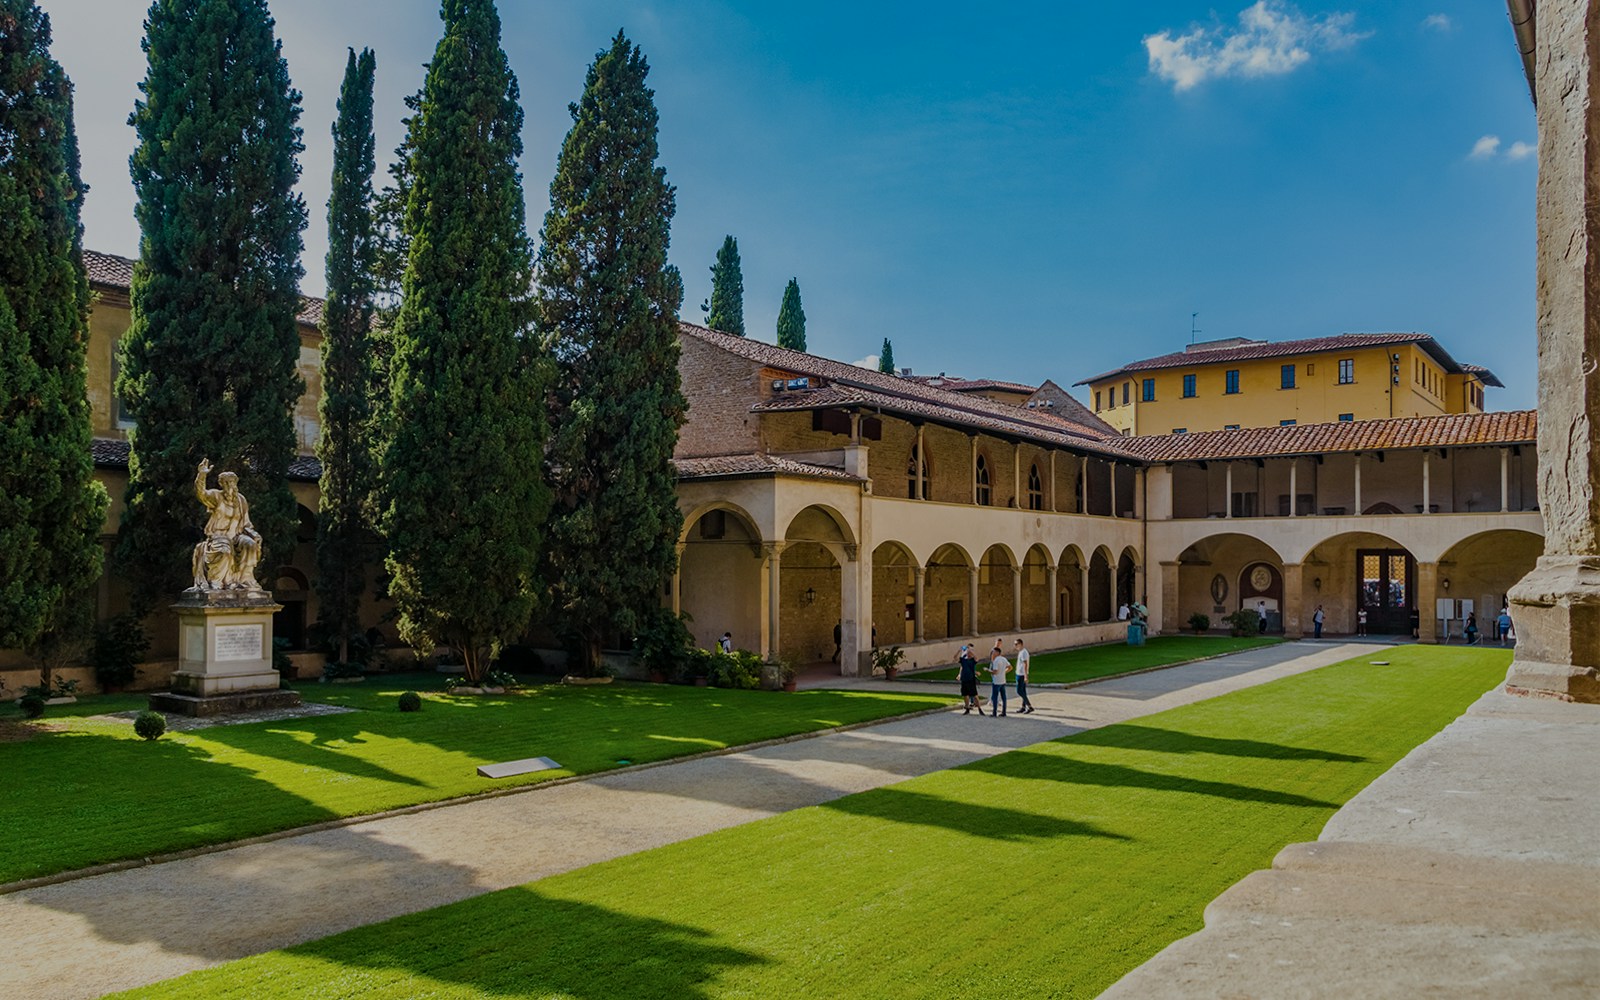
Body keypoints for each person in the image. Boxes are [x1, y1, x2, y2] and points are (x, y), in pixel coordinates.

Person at [190, 458, 263, 591]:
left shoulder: (241, 500)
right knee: (225, 551)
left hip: (236, 536)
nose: (231, 485)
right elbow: (201, 494)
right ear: (222, 484)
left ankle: (245, 580)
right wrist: (202, 475)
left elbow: (246, 523)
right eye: (227, 482)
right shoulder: (216, 496)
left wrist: (254, 534)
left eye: (233, 482)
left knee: (250, 545)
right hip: (218, 536)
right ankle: (216, 581)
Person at [957, 644, 981, 715]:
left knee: (975, 694)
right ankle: (967, 708)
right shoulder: (963, 659)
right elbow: (956, 659)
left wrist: (971, 652)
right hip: (964, 679)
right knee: (965, 694)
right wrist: (959, 650)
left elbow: (977, 659)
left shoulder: (972, 660)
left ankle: (979, 708)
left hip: (971, 679)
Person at [987, 642, 1010, 717]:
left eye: (993, 652)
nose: (992, 653)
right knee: (1004, 697)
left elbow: (995, 672)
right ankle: (1004, 712)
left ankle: (994, 713)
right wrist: (1004, 672)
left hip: (996, 681)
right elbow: (1010, 667)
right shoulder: (1004, 659)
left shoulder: (996, 661)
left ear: (997, 652)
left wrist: (988, 670)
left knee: (995, 697)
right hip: (1003, 680)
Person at [1013, 639, 1034, 714]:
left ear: (1021, 644)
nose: (1015, 646)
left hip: (1021, 674)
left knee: (1019, 691)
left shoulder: (1023, 653)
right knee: (1023, 691)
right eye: (1015, 644)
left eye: (1016, 644)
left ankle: (1029, 706)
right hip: (1019, 673)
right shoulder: (1021, 652)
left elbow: (1025, 664)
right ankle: (1023, 706)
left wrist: (1025, 676)